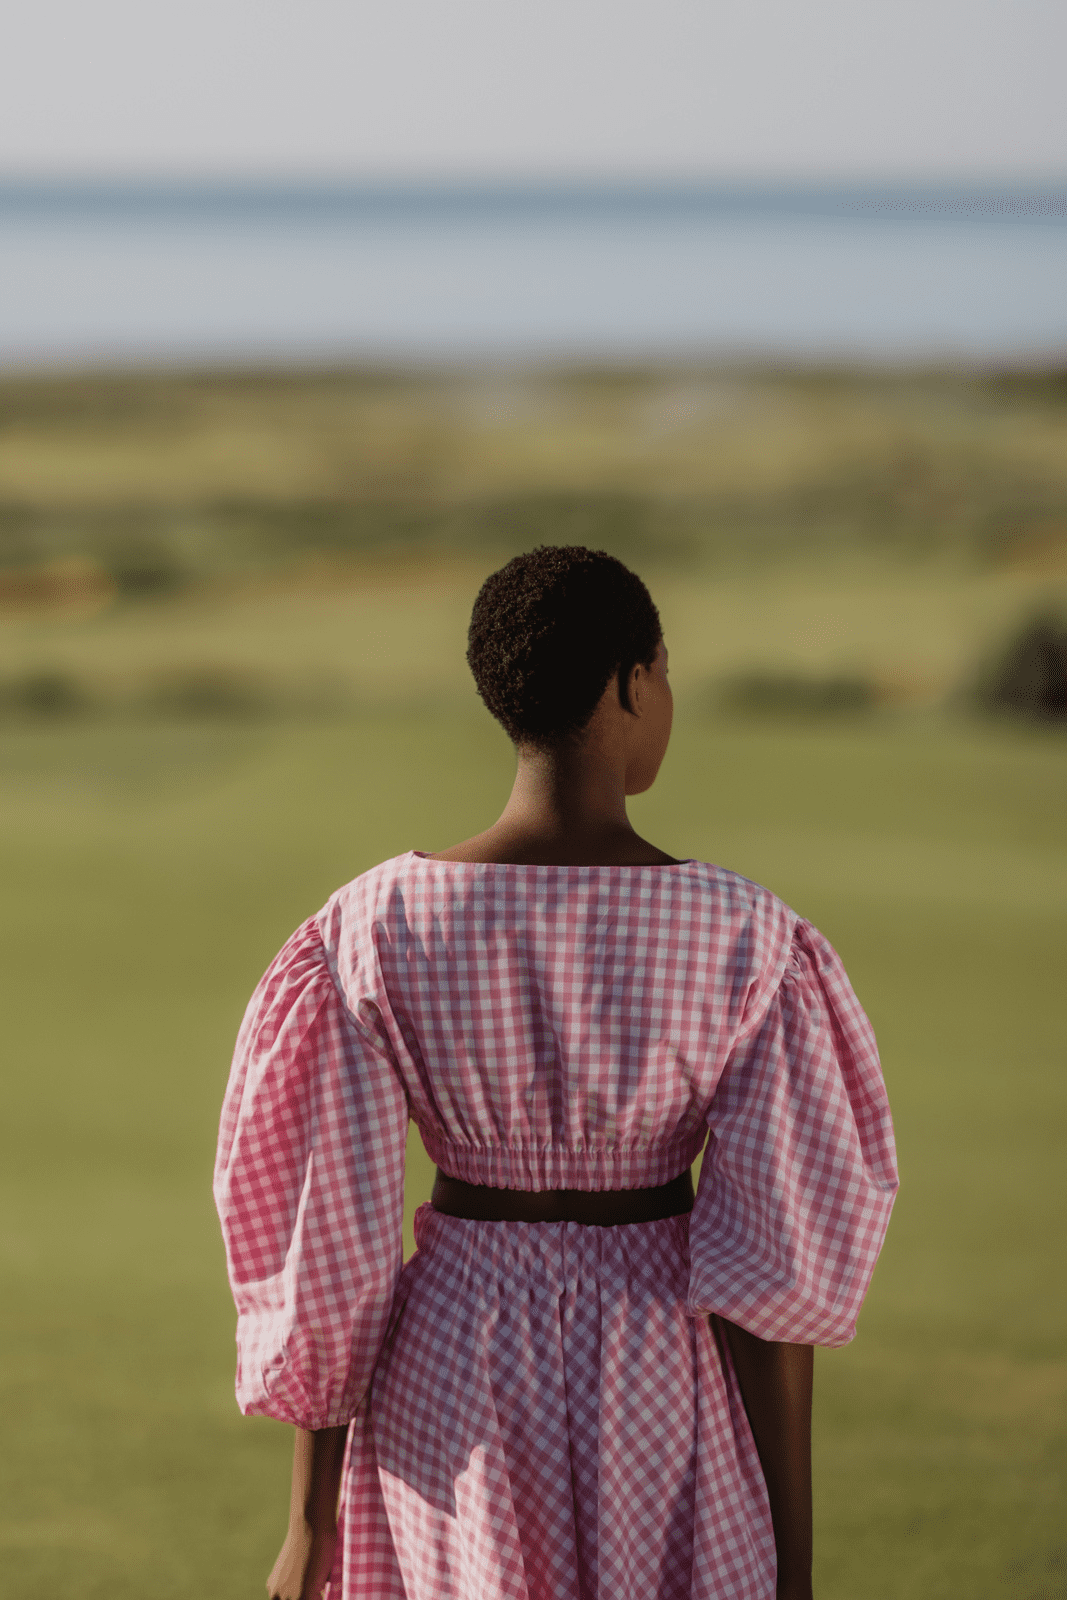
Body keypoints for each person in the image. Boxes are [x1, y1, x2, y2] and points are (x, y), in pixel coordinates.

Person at [214, 544, 898, 1600]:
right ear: (629, 683)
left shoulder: (367, 930)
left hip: (448, 1375)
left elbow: (331, 1257)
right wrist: (792, 1565)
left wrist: (310, 1521)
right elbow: (768, 1286)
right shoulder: (749, 940)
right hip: (658, 1371)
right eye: (660, 673)